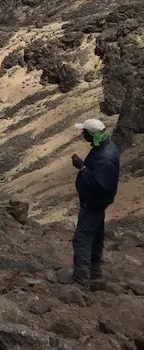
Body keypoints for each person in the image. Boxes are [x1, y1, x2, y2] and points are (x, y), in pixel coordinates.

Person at [70, 118, 120, 288]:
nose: (82, 135)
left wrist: (82, 167)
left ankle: (81, 281)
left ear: (91, 134)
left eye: (84, 132)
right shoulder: (106, 147)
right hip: (98, 203)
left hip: (94, 203)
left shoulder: (105, 157)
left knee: (81, 238)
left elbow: (100, 185)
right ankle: (95, 274)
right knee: (96, 235)